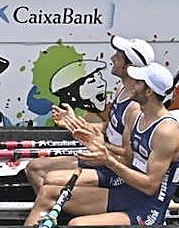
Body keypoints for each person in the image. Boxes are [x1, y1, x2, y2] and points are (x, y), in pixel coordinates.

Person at [25, 62, 179, 227]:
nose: (131, 85)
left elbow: (150, 186)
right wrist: (95, 142)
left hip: (146, 209)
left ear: (149, 91)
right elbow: (128, 158)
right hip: (125, 191)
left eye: (137, 82)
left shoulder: (166, 131)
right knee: (48, 193)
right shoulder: (141, 117)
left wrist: (108, 160)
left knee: (76, 224)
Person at [26, 34, 152, 194]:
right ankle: (57, 211)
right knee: (34, 168)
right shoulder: (122, 90)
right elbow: (111, 127)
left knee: (50, 179)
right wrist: (73, 122)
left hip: (114, 168)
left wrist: (99, 144)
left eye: (118, 57)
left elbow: (128, 159)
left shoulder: (134, 107)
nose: (112, 58)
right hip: (102, 156)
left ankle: (63, 210)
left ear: (129, 67)